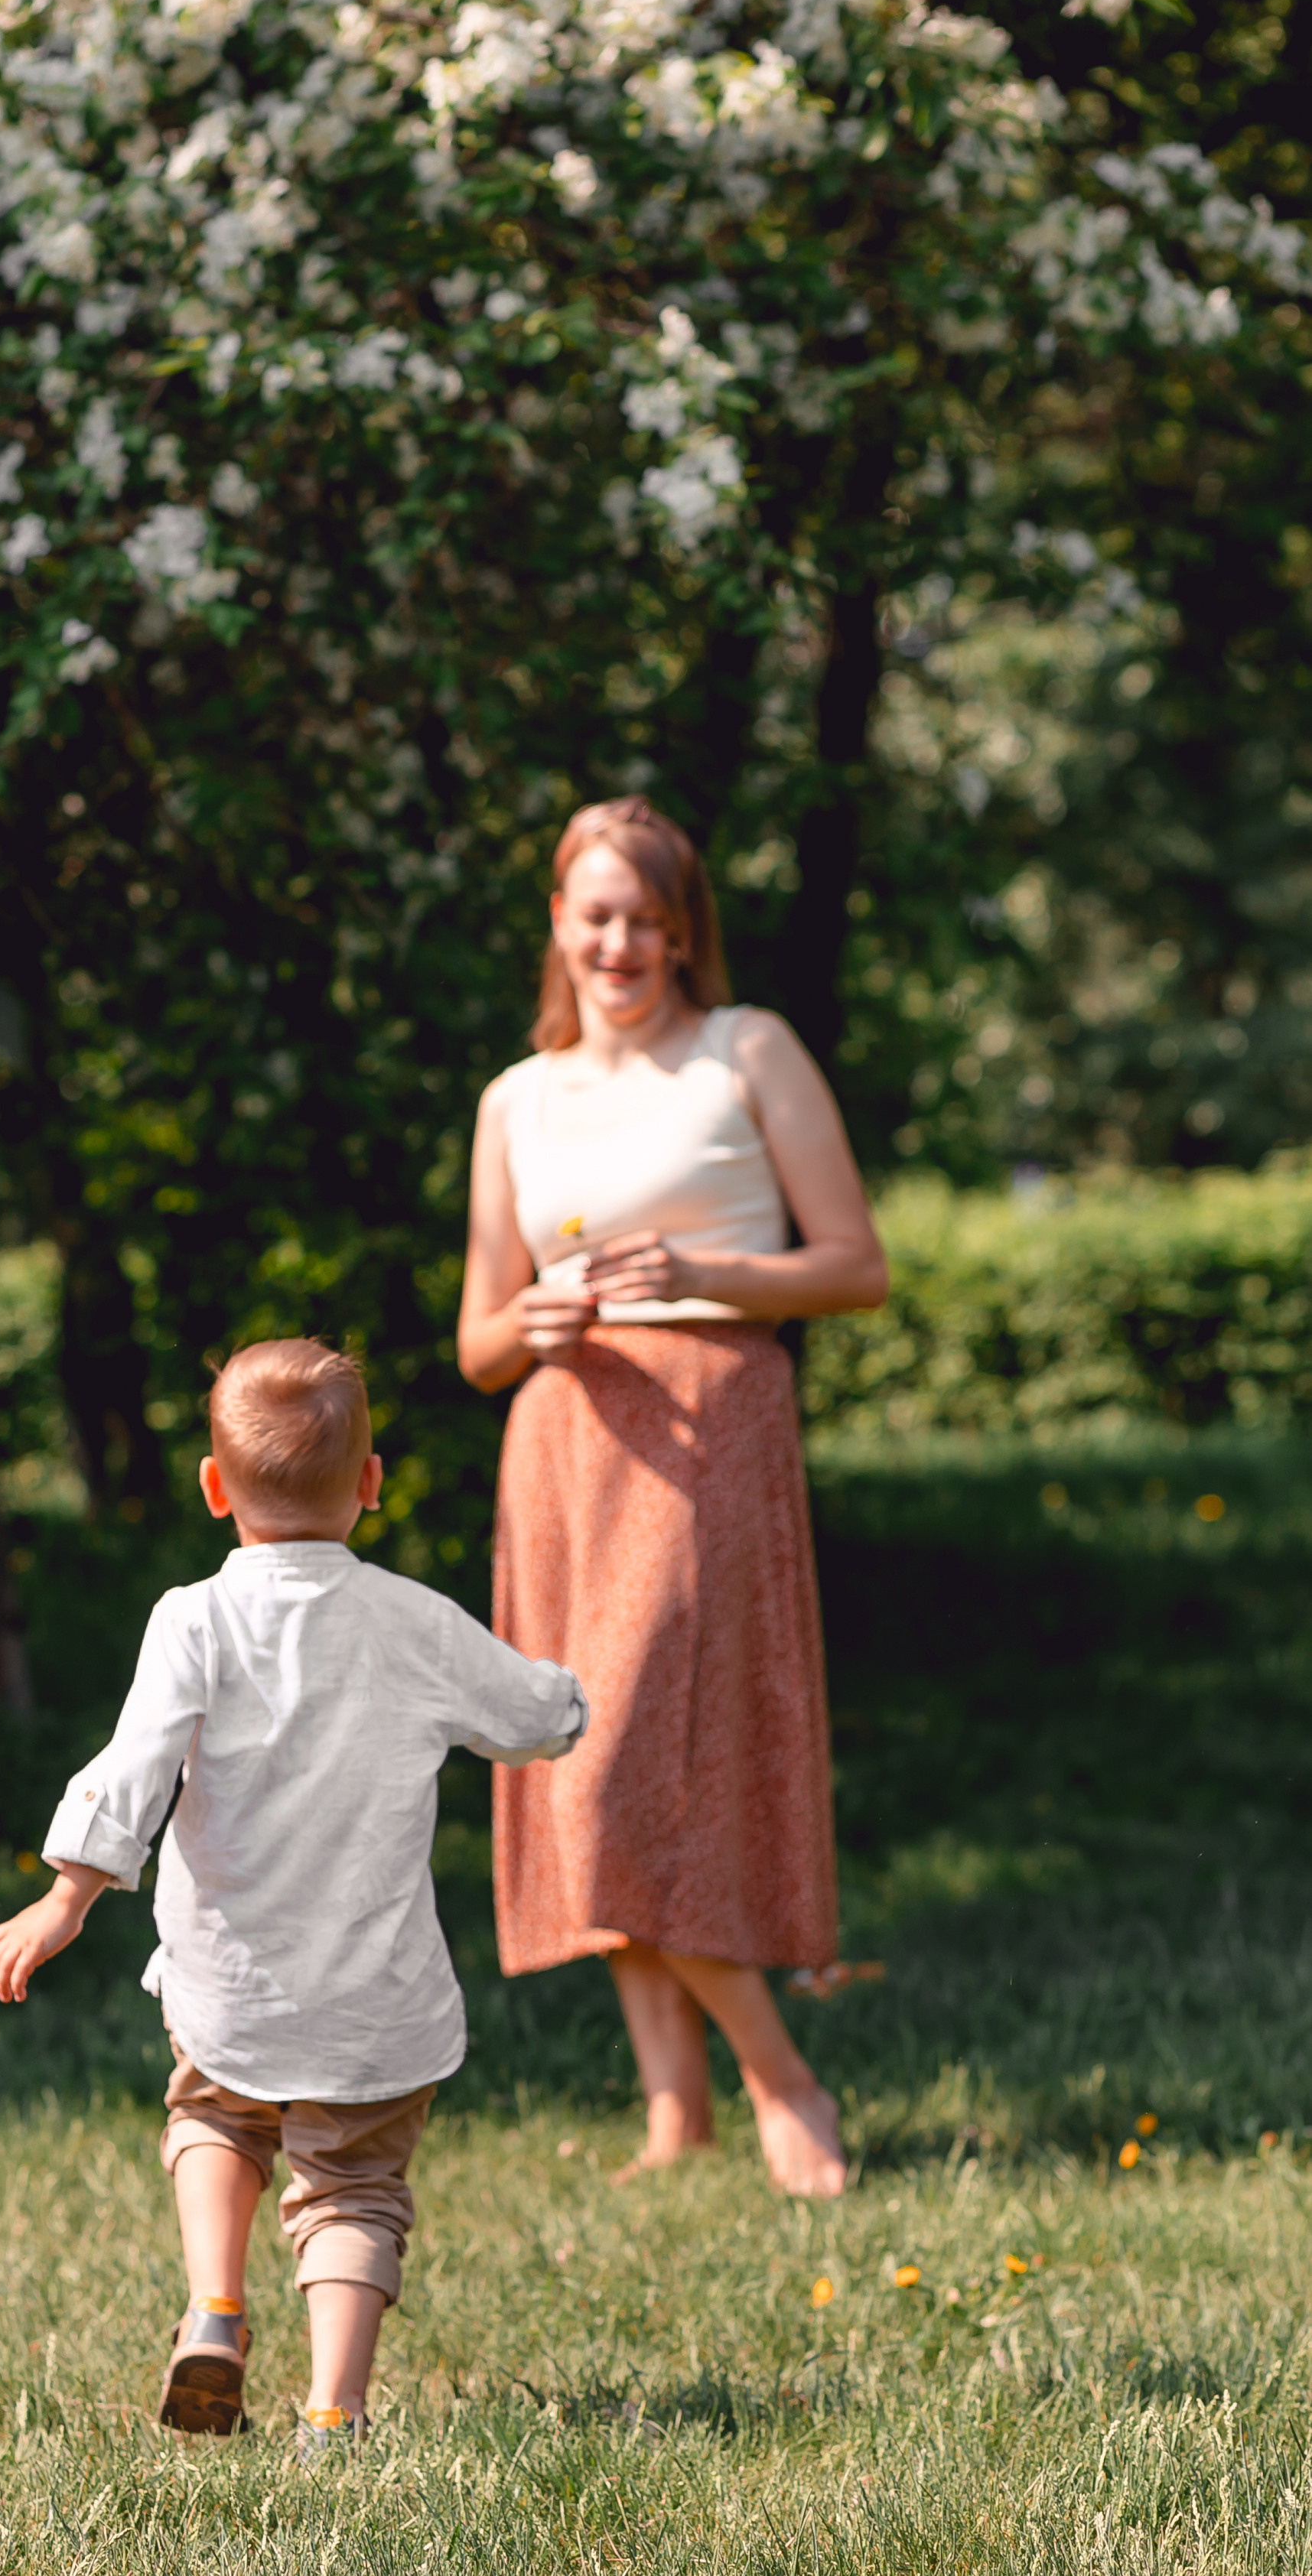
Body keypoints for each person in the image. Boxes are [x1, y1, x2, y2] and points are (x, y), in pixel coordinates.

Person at [0, 1338, 588, 2451]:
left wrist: (66, 1897)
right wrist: (575, 1693)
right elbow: (532, 1717)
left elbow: (133, 1764)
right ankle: (332, 2413)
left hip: (229, 1980)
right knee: (353, 2188)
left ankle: (215, 2308)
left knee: (215, 2114)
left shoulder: (191, 1618)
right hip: (375, 1994)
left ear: (214, 1488)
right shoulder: (412, 1619)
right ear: (372, 1482)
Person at [456, 798, 887, 2199]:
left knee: (636, 1757)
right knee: (579, 1768)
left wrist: (693, 1279)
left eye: (646, 915)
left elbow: (855, 1264)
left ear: (684, 926)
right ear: (558, 926)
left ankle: (785, 2079)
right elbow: (474, 1343)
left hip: (711, 1429)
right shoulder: (514, 1100)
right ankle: (672, 2111)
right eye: (595, 913)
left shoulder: (745, 1050)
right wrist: (539, 1320)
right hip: (567, 1444)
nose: (619, 941)